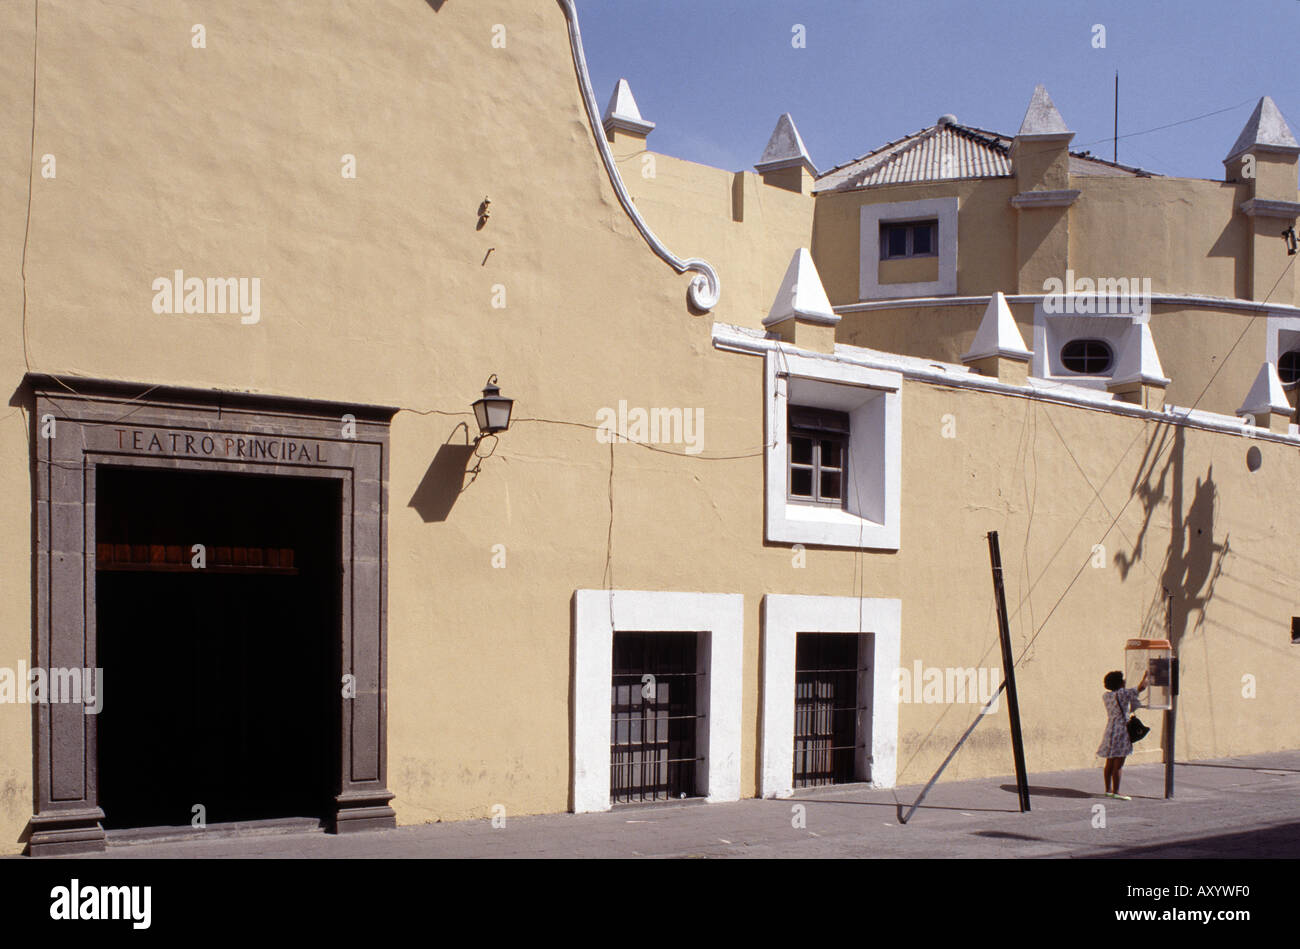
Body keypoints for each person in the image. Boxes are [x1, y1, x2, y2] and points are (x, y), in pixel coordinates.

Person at [1097, 668, 1148, 800]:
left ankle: (1108, 789)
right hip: (1121, 730)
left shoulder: (1106, 696)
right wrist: (1147, 675)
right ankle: (1117, 791)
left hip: (1110, 729)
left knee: (1109, 761)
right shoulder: (1123, 694)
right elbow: (1141, 688)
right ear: (1119, 683)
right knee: (1118, 763)